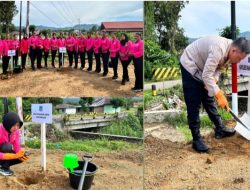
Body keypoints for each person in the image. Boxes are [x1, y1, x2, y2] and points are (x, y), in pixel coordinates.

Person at [180, 36, 250, 152]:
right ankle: (196, 139)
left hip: (203, 68)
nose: (237, 62)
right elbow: (207, 75)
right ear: (234, 51)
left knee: (208, 97)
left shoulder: (230, 52)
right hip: (190, 64)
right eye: (238, 59)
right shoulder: (218, 49)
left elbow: (218, 68)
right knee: (194, 102)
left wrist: (214, 82)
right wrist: (219, 94)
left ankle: (220, 128)